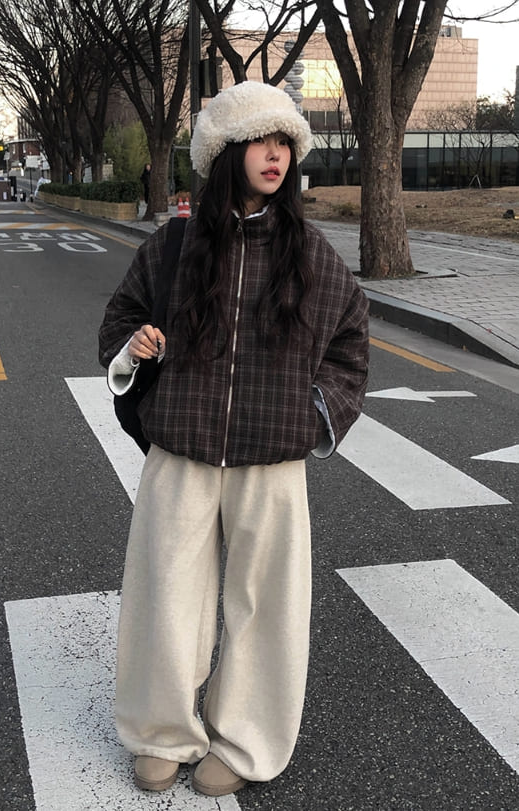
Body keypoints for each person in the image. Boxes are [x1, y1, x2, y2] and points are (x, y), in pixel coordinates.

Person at [98, 81, 369, 798]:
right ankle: (161, 731)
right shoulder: (173, 246)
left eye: (284, 143)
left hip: (272, 461)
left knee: (267, 606)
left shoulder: (312, 255)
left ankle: (245, 741)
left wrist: (311, 417)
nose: (275, 155)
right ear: (225, 152)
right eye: (259, 141)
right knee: (165, 594)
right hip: (181, 450)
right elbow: (119, 320)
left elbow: (350, 346)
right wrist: (136, 346)